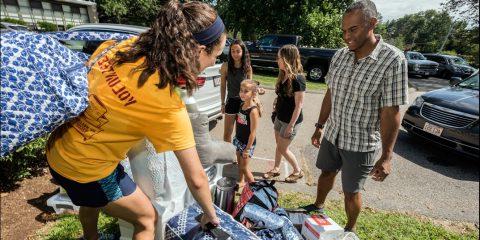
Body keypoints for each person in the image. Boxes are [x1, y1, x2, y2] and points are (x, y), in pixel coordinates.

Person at [45, 1, 227, 239]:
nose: (215, 62)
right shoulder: (166, 103)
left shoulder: (128, 47)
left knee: (91, 202)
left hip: (57, 149)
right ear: (199, 50)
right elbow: (197, 178)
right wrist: (210, 216)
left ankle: (91, 237)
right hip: (85, 169)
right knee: (146, 218)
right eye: (216, 55)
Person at [306, 0, 408, 233]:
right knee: (325, 173)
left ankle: (350, 229)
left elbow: (390, 112)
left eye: (353, 30)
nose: (346, 37)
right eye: (344, 31)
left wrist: (387, 156)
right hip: (333, 134)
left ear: (372, 23)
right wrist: (320, 125)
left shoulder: (393, 60)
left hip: (360, 143)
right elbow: (330, 94)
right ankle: (318, 207)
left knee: (351, 191)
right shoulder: (340, 56)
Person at [263, 45, 305, 183]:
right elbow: (283, 96)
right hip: (280, 117)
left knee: (283, 148)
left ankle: (297, 171)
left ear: (287, 59)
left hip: (290, 121)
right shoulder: (283, 74)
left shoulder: (298, 79)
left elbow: (299, 105)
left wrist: (291, 126)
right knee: (279, 145)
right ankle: (276, 168)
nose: (277, 60)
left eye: (279, 58)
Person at [220, 40, 253, 143]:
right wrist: (222, 103)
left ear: (243, 51)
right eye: (232, 51)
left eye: (238, 51)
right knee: (227, 135)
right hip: (231, 102)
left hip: (243, 104)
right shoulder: (225, 66)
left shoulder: (248, 68)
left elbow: (250, 89)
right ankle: (228, 156)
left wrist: (252, 103)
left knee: (241, 133)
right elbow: (222, 86)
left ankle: (238, 155)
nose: (235, 54)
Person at [232, 79, 262, 186]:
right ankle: (240, 182)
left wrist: (247, 149)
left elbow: (253, 132)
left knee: (244, 168)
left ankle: (254, 189)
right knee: (240, 164)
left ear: (253, 93)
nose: (242, 93)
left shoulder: (253, 110)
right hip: (238, 140)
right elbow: (239, 123)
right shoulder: (241, 105)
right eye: (241, 90)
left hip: (247, 144)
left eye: (246, 91)